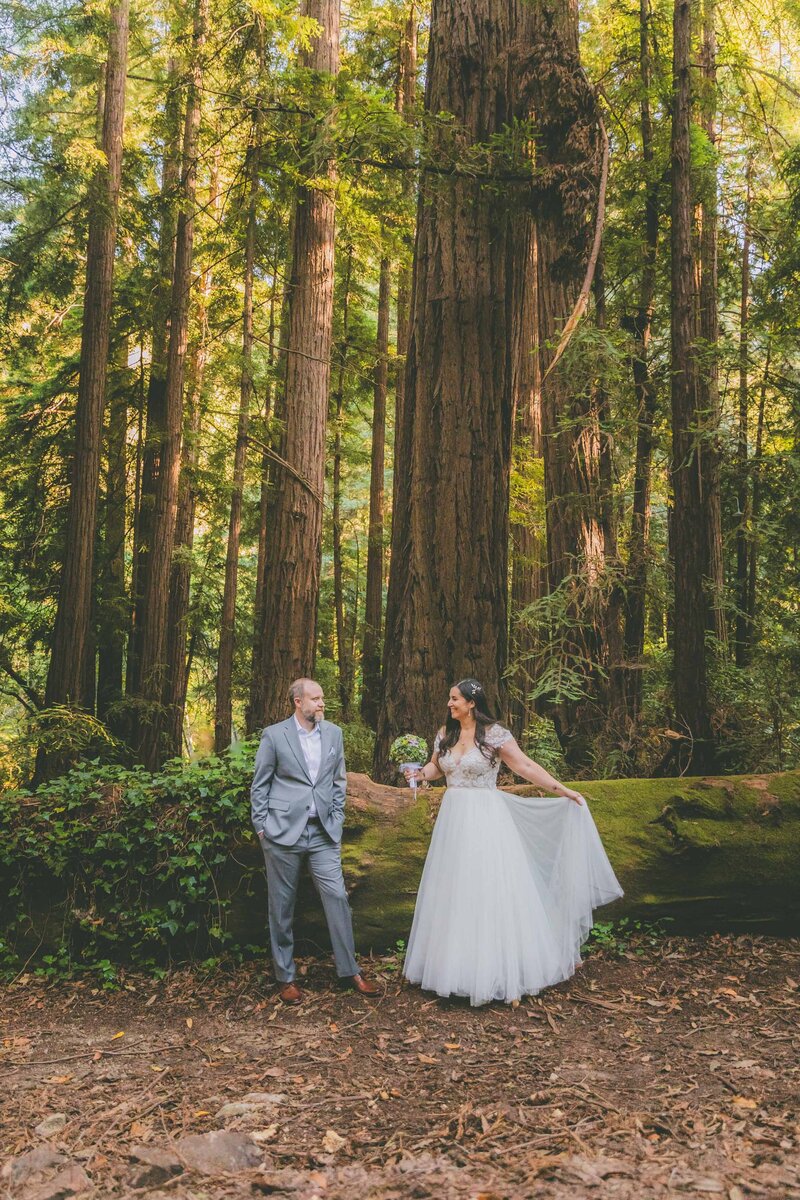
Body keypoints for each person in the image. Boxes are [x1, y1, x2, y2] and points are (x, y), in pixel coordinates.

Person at [403, 678, 623, 1006]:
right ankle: (456, 968)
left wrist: (562, 790)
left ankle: (496, 970)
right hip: (453, 821)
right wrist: (421, 773)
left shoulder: (495, 735)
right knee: (454, 891)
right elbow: (437, 767)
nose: (449, 704)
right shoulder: (445, 734)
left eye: (455, 699)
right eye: (449, 699)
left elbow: (525, 766)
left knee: (489, 891)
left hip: (486, 820)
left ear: (472, 703)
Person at [250, 678, 379, 1004]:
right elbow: (260, 784)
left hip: (322, 833)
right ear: (297, 701)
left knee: (337, 896)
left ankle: (350, 971)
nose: (322, 704)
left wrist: (335, 820)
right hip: (281, 835)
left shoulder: (334, 734)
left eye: (322, 699)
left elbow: (339, 781)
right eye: (315, 699)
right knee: (281, 906)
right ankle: (285, 977)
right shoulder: (274, 735)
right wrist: (262, 828)